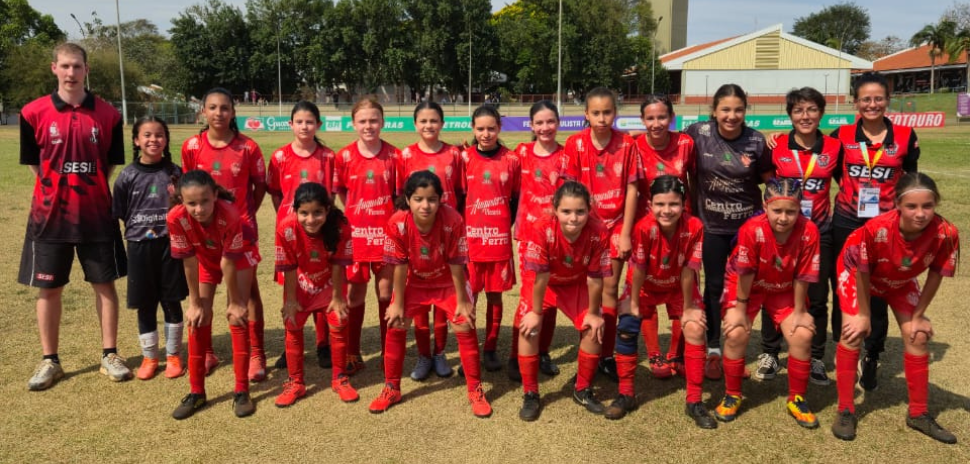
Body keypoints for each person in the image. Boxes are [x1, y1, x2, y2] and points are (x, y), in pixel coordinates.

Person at [19, 42, 132, 391]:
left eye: (77, 67)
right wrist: (56, 187)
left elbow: (110, 163)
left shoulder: (109, 115)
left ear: (86, 70)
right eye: (65, 66)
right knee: (49, 288)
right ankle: (50, 360)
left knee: (105, 285)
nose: (71, 73)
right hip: (49, 215)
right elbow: (36, 165)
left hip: (96, 213)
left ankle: (110, 354)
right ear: (54, 68)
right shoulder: (32, 112)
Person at [830, 173, 959, 444]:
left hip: (898, 279)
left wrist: (917, 315)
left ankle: (919, 413)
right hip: (858, 274)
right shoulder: (874, 230)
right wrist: (863, 315)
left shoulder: (946, 233)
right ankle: (845, 409)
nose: (921, 213)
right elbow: (862, 274)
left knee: (918, 335)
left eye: (928, 206)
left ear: (936, 203)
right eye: (912, 206)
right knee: (852, 332)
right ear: (898, 205)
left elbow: (936, 273)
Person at [369, 170, 492, 418]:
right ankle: (392, 387)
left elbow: (458, 264)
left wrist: (463, 301)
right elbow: (400, 266)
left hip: (447, 280)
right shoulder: (397, 222)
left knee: (464, 324)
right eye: (418, 199)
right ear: (408, 199)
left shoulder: (452, 219)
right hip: (415, 281)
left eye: (432, 199)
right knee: (396, 322)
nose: (425, 205)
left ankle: (475, 390)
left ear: (440, 199)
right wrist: (398, 303)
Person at [829, 72, 920, 392]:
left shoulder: (907, 136)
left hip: (886, 225)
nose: (872, 104)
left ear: (887, 101)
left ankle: (872, 354)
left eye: (878, 98)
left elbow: (911, 180)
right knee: (844, 287)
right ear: (856, 102)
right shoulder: (841, 134)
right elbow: (828, 164)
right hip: (846, 220)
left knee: (878, 290)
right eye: (865, 99)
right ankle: (846, 351)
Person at [713, 178, 820, 429]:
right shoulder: (751, 229)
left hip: (782, 287)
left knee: (802, 334)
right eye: (777, 210)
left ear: (800, 208)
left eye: (791, 211)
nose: (784, 218)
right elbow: (745, 271)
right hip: (746, 285)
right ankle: (732, 394)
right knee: (736, 332)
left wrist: (801, 312)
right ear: (765, 205)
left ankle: (797, 399)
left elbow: (804, 274)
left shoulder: (809, 230)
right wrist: (739, 310)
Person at [684, 84, 772, 380]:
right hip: (711, 227)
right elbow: (669, 144)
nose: (731, 115)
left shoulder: (757, 142)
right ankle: (713, 349)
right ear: (714, 111)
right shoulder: (699, 133)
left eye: (738, 110)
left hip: (747, 230)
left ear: (745, 111)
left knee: (744, 289)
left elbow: (771, 183)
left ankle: (737, 350)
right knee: (714, 286)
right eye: (725, 109)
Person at [181, 87, 268, 382]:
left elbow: (259, 187)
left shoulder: (248, 148)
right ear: (203, 111)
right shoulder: (192, 146)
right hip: (204, 235)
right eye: (213, 107)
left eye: (225, 108)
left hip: (240, 232)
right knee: (204, 297)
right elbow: (188, 189)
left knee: (246, 296)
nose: (219, 113)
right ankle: (207, 352)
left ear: (233, 112)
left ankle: (256, 353)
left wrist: (244, 215)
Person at [756, 88, 842, 385]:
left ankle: (816, 356)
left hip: (820, 233)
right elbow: (767, 180)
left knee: (817, 297)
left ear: (821, 112)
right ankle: (770, 352)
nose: (805, 116)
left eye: (811, 110)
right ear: (790, 115)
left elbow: (848, 180)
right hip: (781, 233)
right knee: (773, 291)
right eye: (798, 111)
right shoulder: (777, 145)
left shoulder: (834, 146)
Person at [611, 176, 707, 423]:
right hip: (645, 285)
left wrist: (688, 309)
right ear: (651, 204)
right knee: (626, 327)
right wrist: (632, 303)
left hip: (677, 284)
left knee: (695, 328)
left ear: (684, 204)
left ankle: (694, 401)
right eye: (660, 204)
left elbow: (689, 270)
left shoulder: (695, 226)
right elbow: (639, 268)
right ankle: (626, 395)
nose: (667, 210)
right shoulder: (643, 227)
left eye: (674, 204)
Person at [167, 170, 260, 420]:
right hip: (206, 260)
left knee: (237, 316)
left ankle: (242, 390)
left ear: (215, 196)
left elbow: (229, 262)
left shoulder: (229, 213)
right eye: (192, 203)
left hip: (238, 258)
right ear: (181, 201)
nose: (199, 209)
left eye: (205, 201)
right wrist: (194, 302)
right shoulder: (175, 217)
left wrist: (236, 302)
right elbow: (187, 259)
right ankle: (197, 392)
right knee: (198, 318)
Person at [515, 181, 610, 421]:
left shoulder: (599, 231)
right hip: (542, 282)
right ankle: (530, 393)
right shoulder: (542, 227)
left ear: (589, 210)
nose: (574, 218)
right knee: (529, 329)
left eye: (580, 211)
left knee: (593, 328)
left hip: (576, 282)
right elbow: (540, 276)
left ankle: (582, 389)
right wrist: (536, 312)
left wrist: (594, 312)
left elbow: (596, 277)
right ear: (555, 209)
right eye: (566, 211)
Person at [564, 87, 639, 382]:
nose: (602, 118)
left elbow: (632, 189)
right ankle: (588, 349)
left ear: (615, 113)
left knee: (609, 288)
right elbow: (568, 191)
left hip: (617, 227)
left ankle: (606, 355)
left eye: (607, 112)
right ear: (586, 114)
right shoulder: (574, 144)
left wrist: (627, 233)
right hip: (584, 229)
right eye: (595, 113)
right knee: (584, 291)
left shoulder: (627, 145)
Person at [112, 116, 188, 381]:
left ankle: (173, 356)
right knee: (145, 304)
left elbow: (186, 205)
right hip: (139, 246)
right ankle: (149, 357)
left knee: (171, 300)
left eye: (159, 135)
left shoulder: (176, 173)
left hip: (171, 246)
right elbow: (119, 211)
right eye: (147, 135)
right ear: (136, 140)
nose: (153, 140)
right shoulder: (127, 175)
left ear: (166, 140)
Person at [396, 101, 464, 380]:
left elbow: (460, 191)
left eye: (434, 120)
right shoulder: (406, 155)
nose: (428, 126)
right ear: (415, 124)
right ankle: (424, 355)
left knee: (443, 297)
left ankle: (439, 353)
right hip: (417, 236)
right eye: (423, 121)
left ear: (442, 123)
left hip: (445, 236)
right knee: (422, 300)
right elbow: (401, 197)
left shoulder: (453, 154)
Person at [267, 101, 336, 371]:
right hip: (290, 232)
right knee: (291, 285)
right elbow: (274, 191)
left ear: (318, 125)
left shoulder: (328, 157)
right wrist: (286, 219)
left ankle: (323, 344)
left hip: (319, 228)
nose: (304, 126)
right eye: (299, 122)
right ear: (291, 124)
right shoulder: (279, 157)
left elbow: (332, 193)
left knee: (320, 282)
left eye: (310, 122)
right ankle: (291, 342)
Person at [275, 182, 358, 407]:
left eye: (317, 213)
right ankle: (295, 382)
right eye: (304, 213)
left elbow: (340, 265)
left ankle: (340, 378)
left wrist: (338, 298)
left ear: (327, 210)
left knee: (339, 319)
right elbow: (289, 266)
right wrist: (291, 300)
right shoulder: (286, 227)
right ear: (295, 211)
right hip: (301, 284)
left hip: (330, 282)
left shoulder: (340, 226)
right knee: (292, 322)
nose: (311, 220)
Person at [632, 93, 697, 378]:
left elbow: (697, 180)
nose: (656, 123)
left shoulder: (685, 144)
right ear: (642, 120)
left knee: (681, 290)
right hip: (647, 230)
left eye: (662, 117)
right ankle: (654, 355)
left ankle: (675, 354)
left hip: (682, 228)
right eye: (650, 118)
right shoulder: (633, 145)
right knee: (648, 290)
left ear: (671, 118)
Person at [334, 97, 399, 374]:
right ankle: (352, 350)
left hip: (385, 238)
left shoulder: (395, 156)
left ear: (383, 122)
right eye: (363, 121)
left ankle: (388, 349)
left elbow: (399, 195)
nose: (369, 125)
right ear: (354, 123)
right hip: (356, 238)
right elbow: (341, 192)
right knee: (355, 295)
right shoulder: (345, 156)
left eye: (374, 120)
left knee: (385, 291)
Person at [507, 100, 567, 382]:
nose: (545, 127)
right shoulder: (520, 153)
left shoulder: (567, 157)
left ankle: (542, 352)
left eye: (550, 121)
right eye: (539, 123)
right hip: (529, 238)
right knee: (529, 298)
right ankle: (514, 354)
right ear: (531, 126)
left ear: (558, 122)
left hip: (558, 238)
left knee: (550, 300)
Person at [461, 105, 520, 372]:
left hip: (498, 242)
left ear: (499, 128)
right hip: (470, 242)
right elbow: (458, 197)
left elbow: (516, 199)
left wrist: (504, 226)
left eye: (491, 128)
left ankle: (491, 348)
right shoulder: (463, 158)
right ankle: (470, 349)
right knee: (469, 297)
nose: (486, 134)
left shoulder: (512, 160)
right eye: (481, 129)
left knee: (495, 297)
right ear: (473, 129)